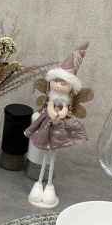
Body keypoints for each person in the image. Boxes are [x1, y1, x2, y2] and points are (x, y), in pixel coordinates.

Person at [24, 42, 89, 208]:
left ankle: (49, 186)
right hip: (48, 126)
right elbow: (50, 108)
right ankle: (39, 184)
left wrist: (61, 114)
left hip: (59, 130)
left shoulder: (66, 101)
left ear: (71, 87)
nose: (59, 86)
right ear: (51, 82)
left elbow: (65, 109)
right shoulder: (52, 98)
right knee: (45, 154)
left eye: (64, 83)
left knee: (53, 155)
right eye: (56, 82)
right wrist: (53, 114)